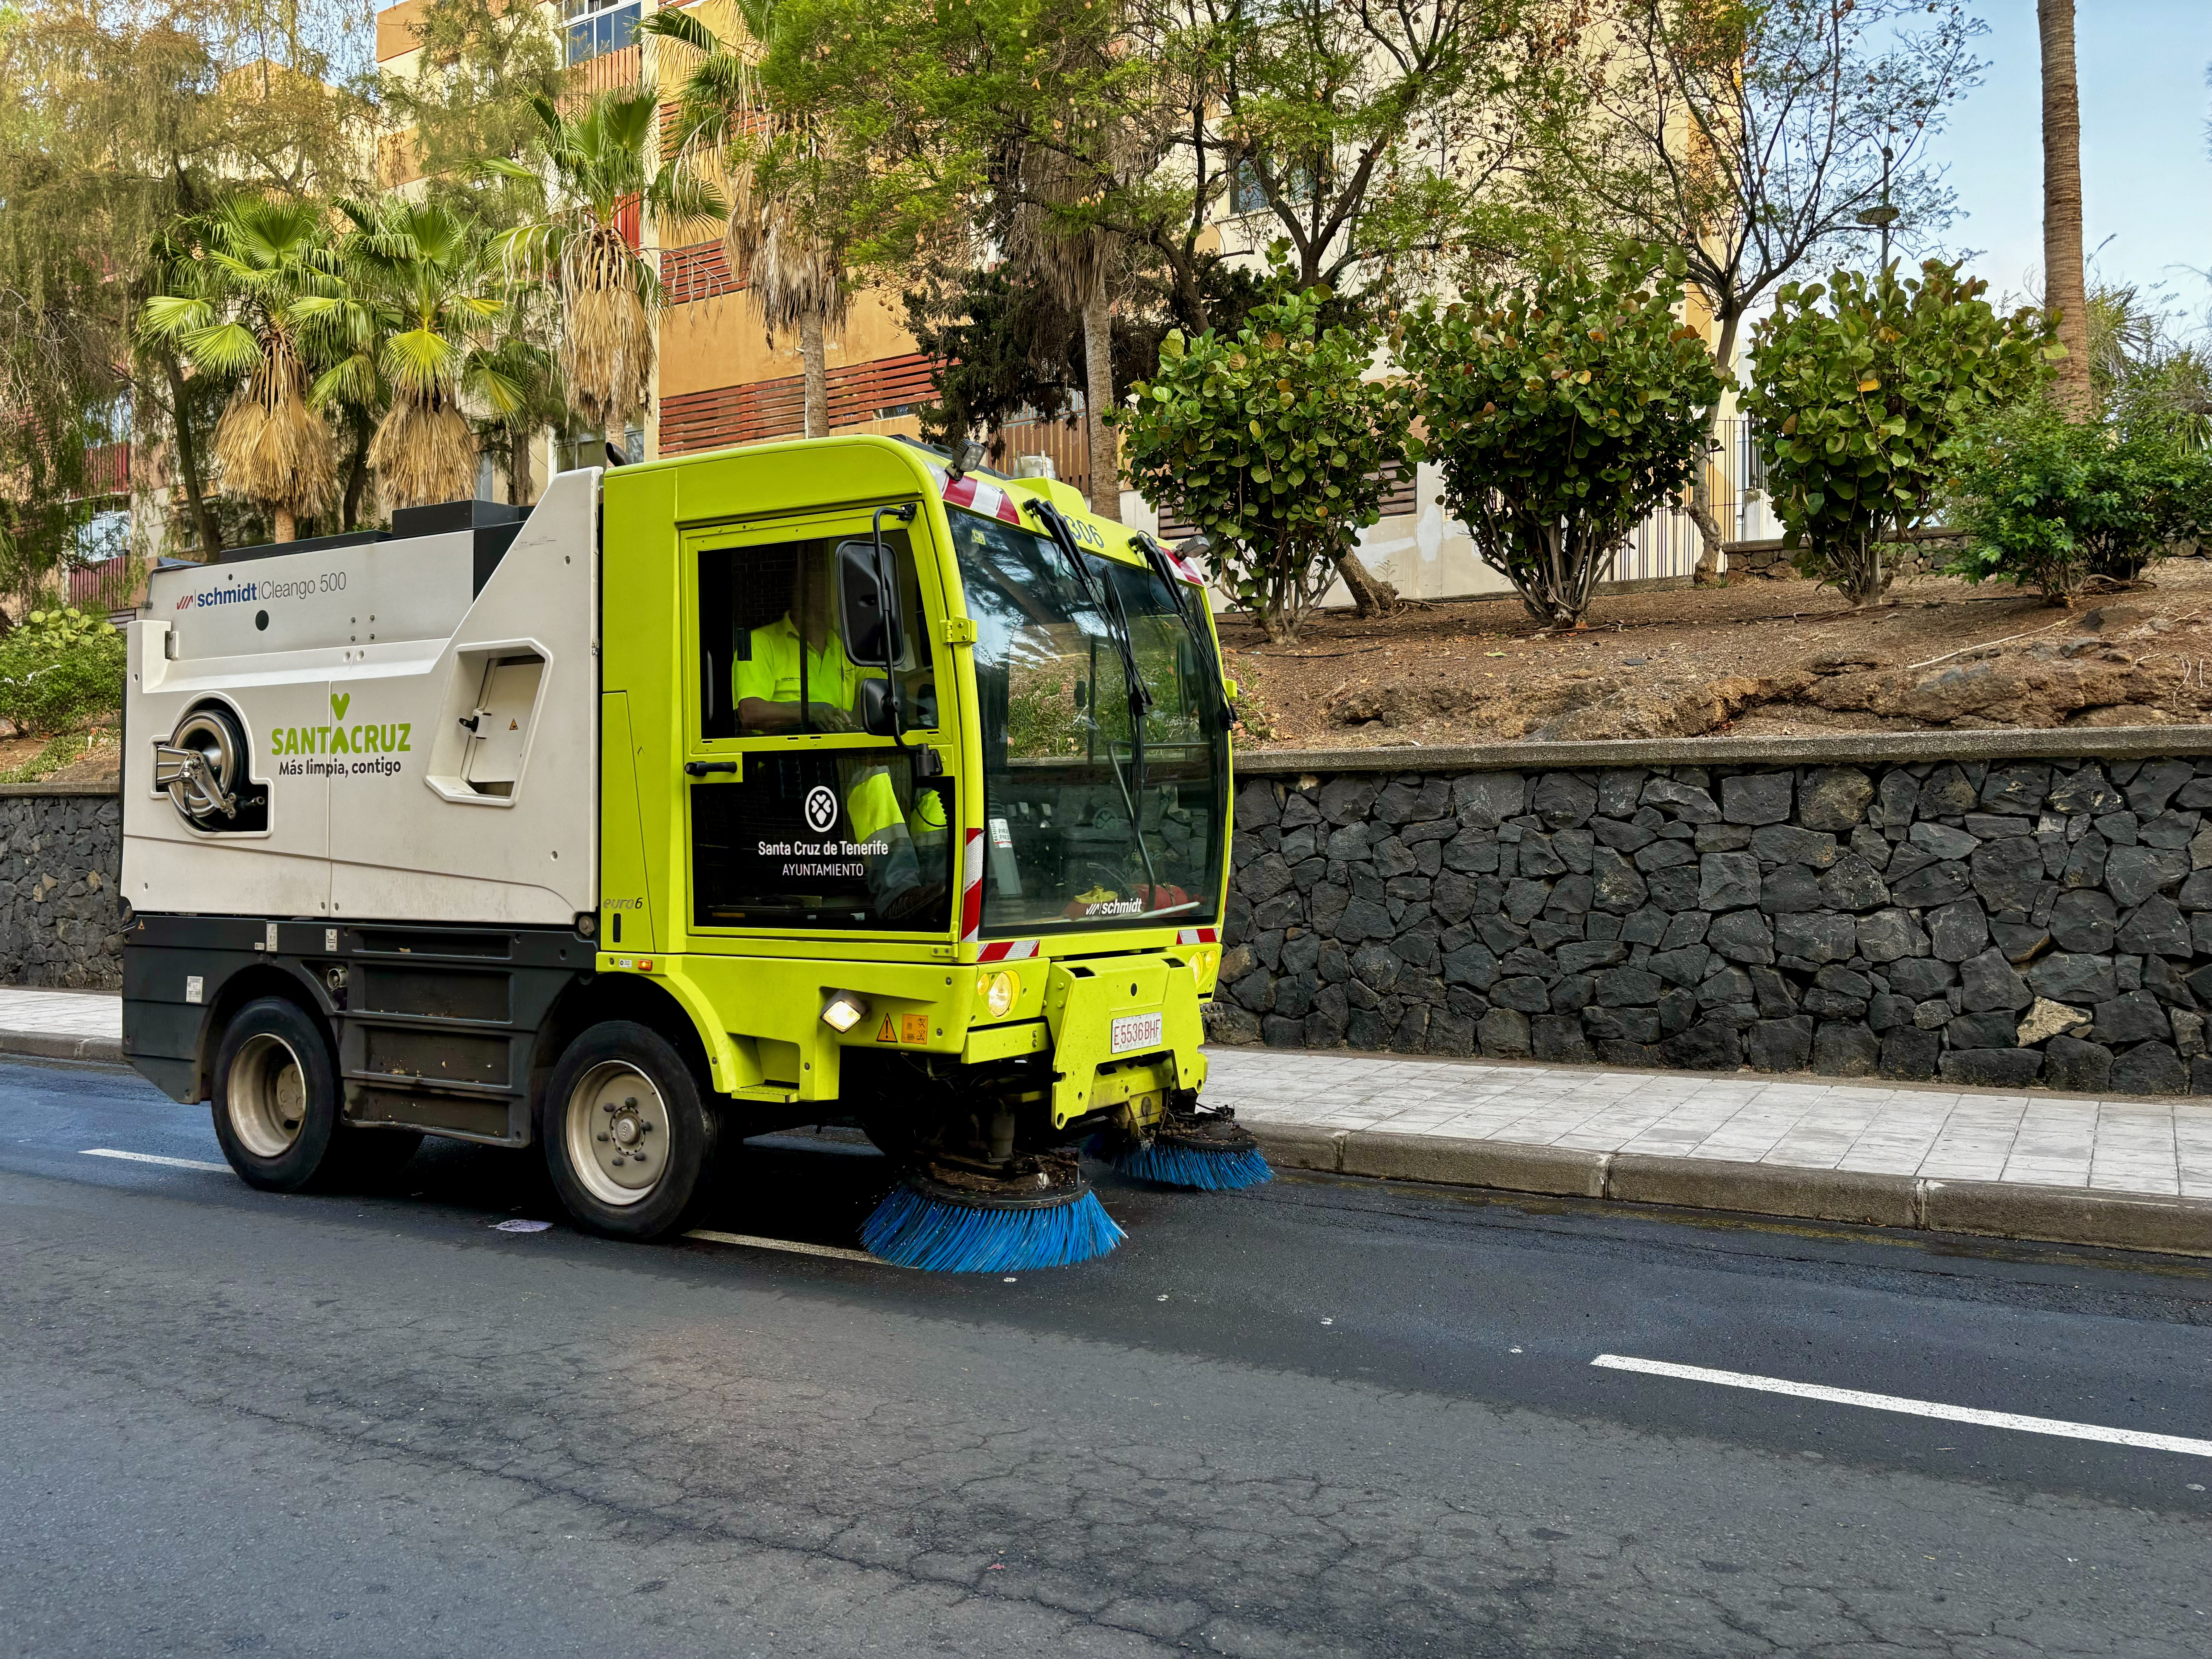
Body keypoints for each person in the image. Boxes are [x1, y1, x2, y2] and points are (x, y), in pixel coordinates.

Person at [732, 549, 946, 919]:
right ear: (799, 592)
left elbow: (884, 692)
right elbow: (749, 713)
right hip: (789, 774)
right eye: (822, 588)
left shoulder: (846, 651)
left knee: (928, 787)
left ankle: (940, 890)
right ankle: (898, 894)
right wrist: (809, 712)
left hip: (843, 765)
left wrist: (927, 681)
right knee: (874, 783)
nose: (830, 598)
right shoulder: (757, 643)